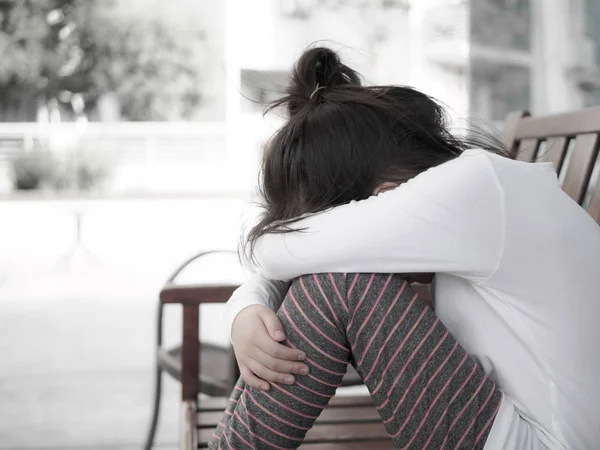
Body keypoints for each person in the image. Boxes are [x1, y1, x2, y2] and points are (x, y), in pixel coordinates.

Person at [211, 47, 600, 449]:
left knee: (337, 286)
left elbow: (279, 247)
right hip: (523, 428)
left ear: (385, 198)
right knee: (332, 279)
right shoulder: (483, 190)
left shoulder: (475, 188)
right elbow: (290, 254)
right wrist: (247, 306)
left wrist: (248, 301)